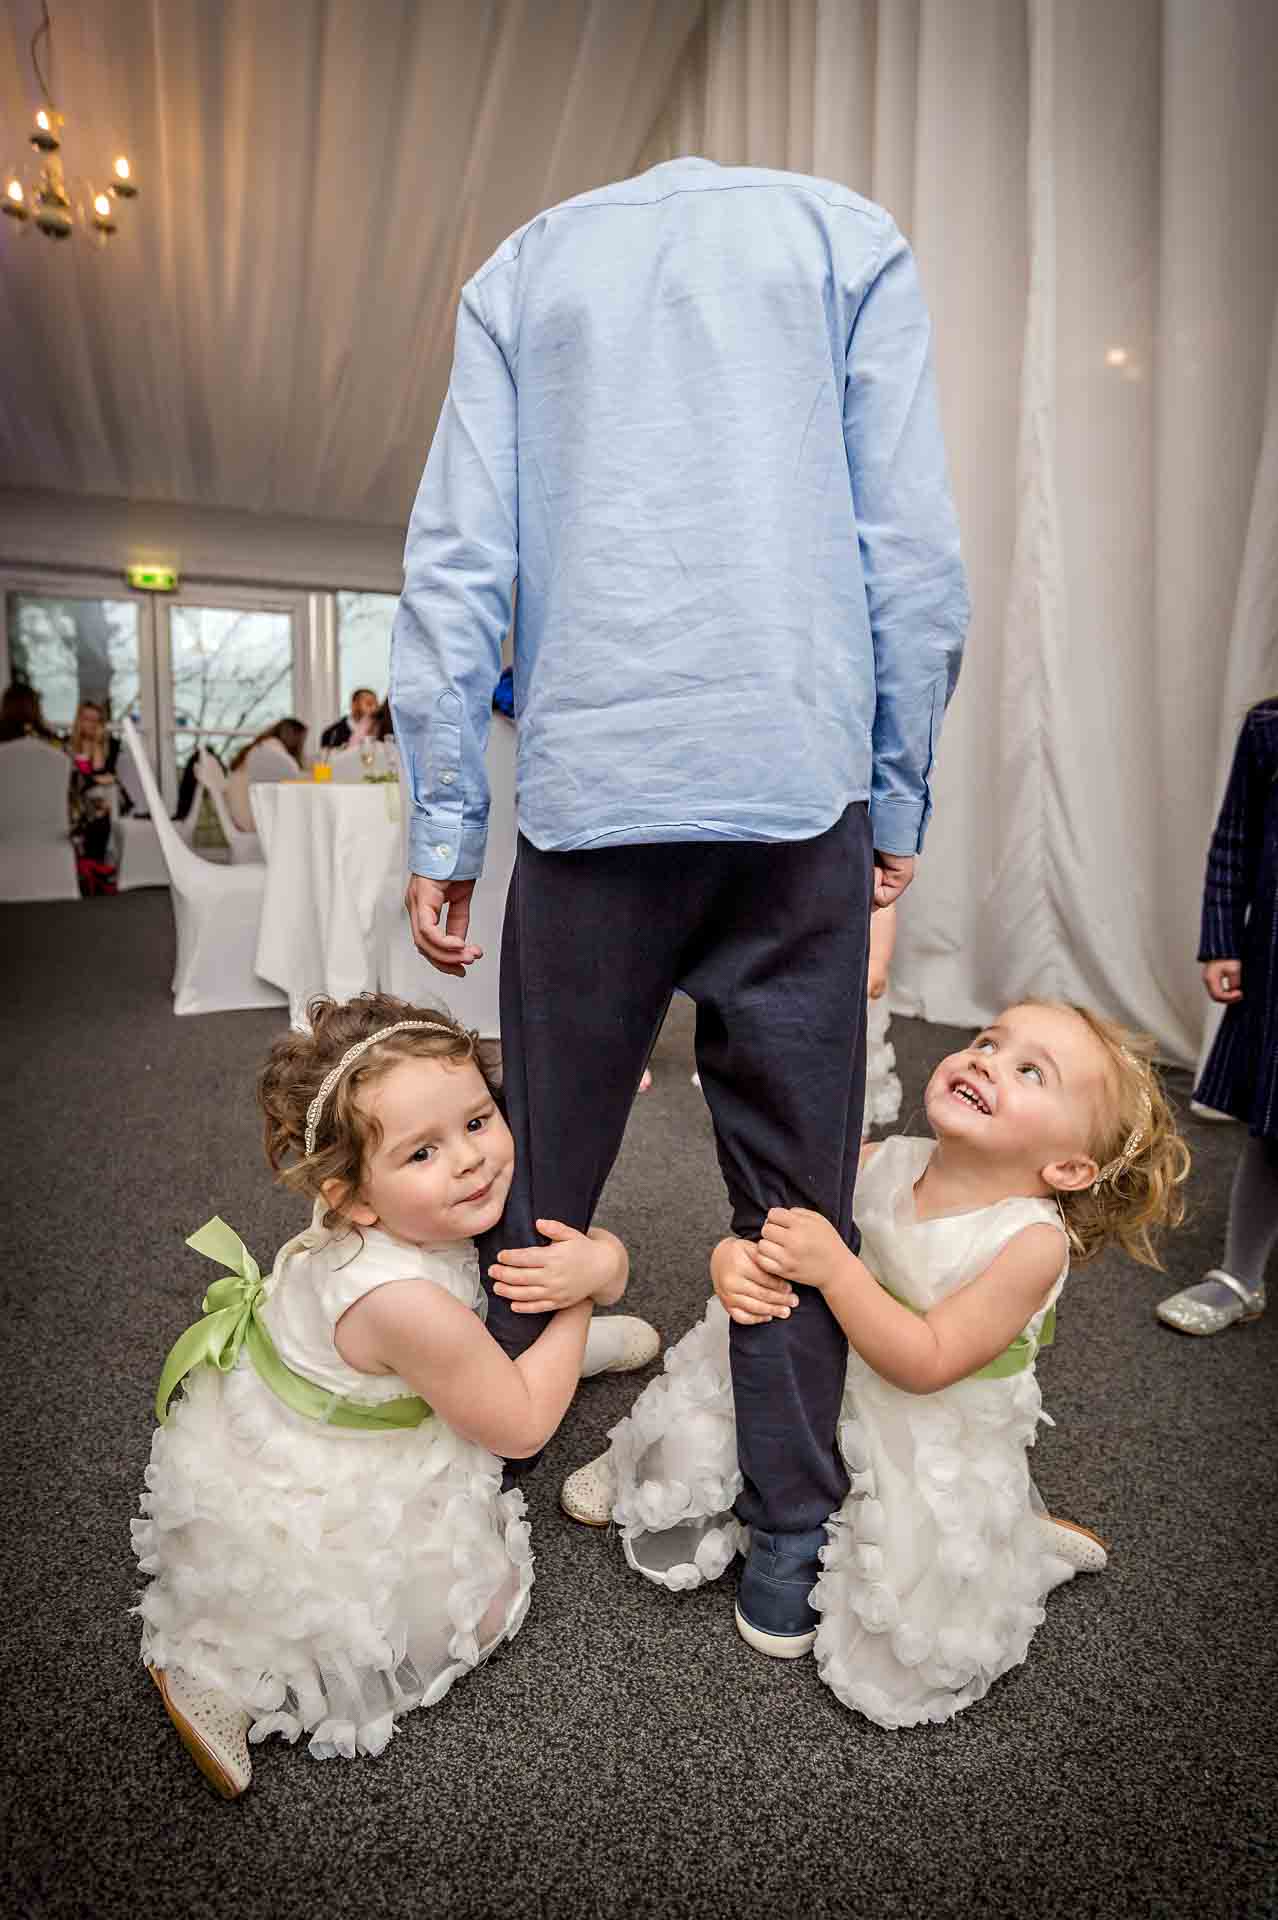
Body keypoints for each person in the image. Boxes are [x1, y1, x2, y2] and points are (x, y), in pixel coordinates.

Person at [390, 158, 969, 1654]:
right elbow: (909, 558)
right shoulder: (841, 237)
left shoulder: (525, 263)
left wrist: (448, 818)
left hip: (593, 792)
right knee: (796, 1191)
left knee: (540, 1167)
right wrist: (894, 795)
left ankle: (473, 1486)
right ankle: (787, 1542)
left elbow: (458, 565)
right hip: (796, 787)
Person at [563, 1002, 1189, 1727]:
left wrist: (836, 1272)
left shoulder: (1030, 1243)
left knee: (907, 1623)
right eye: (988, 1039)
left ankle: (1012, 1543)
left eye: (1029, 1071)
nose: (984, 1058)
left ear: (1069, 1166)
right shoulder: (879, 1157)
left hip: (916, 1413)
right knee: (690, 1437)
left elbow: (926, 1363)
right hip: (819, 1366)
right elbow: (766, 1235)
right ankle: (637, 1458)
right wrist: (730, 1259)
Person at [131, 993, 653, 1799]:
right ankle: (213, 1678)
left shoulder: (403, 1209)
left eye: (478, 1121)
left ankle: (562, 1351)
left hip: (320, 1386)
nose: (471, 1160)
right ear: (355, 1198)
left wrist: (601, 1262)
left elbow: (548, 1277)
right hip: (325, 1476)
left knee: (505, 1327)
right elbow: (519, 1429)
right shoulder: (401, 1302)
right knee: (476, 1604)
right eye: (422, 1153)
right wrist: (582, 1294)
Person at [1158, 697, 1278, 1334]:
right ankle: (1242, 1274)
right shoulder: (1268, 728)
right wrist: (1222, 938)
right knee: (1272, 1124)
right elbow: (1235, 839)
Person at [66, 699, 127, 895]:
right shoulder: (68, 744)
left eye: (96, 720)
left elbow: (105, 773)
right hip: (75, 799)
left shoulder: (113, 745)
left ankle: (94, 867)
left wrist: (98, 745)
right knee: (100, 796)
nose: (91, 724)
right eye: (86, 719)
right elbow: (74, 780)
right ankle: (101, 866)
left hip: (104, 800)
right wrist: (95, 779)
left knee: (104, 795)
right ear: (78, 720)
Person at [225, 717, 307, 833]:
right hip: (251, 819)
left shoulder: (263, 747)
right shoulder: (270, 752)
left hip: (242, 815)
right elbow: (293, 776)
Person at [864, 902, 902, 1135]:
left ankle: (854, 1122)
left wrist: (877, 962)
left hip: (853, 976)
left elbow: (883, 906)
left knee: (856, 1056)